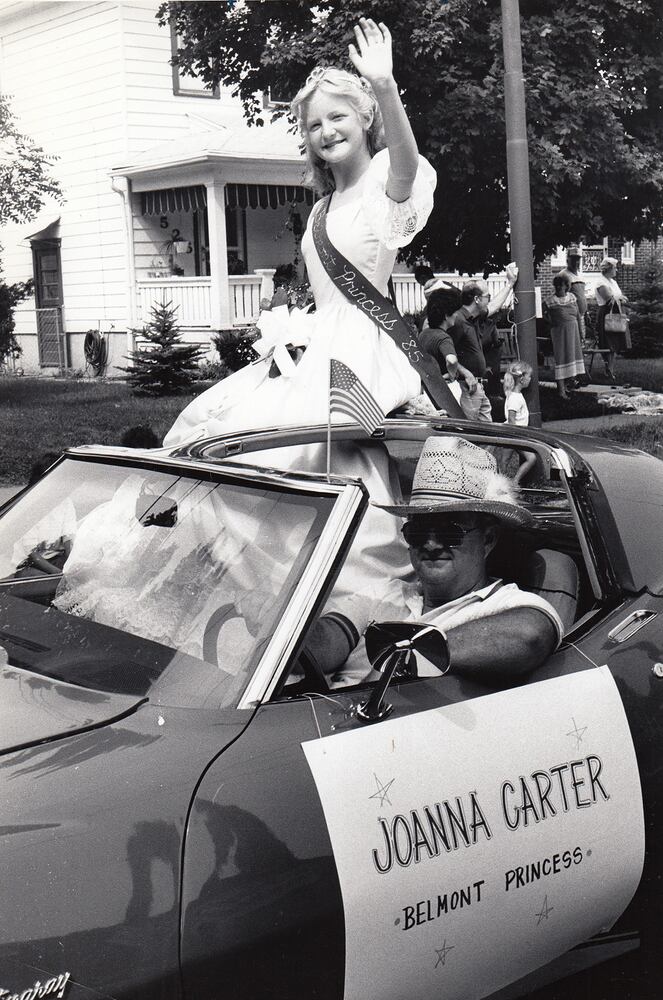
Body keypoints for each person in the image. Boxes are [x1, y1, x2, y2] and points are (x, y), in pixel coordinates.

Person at [165, 18, 437, 448]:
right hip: (316, 344)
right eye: (314, 125)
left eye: (337, 116)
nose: (327, 131)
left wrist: (384, 86)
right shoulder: (320, 210)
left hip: (361, 350)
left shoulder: (383, 186)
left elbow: (406, 165)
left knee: (297, 447)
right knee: (210, 421)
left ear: (365, 118)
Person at [419, 288, 478, 416]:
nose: (456, 315)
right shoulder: (444, 338)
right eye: (455, 312)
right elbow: (451, 360)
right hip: (446, 390)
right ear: (446, 315)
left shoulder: (424, 334)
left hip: (428, 390)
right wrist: (452, 373)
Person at [543, 274, 585, 399]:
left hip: (573, 331)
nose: (558, 288)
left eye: (561, 285)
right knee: (561, 358)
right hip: (559, 332)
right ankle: (561, 391)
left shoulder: (572, 297)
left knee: (572, 356)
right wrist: (550, 321)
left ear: (566, 286)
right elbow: (541, 314)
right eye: (556, 285)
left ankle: (569, 385)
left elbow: (578, 315)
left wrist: (581, 332)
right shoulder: (550, 300)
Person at [594, 256, 628, 382]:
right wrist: (620, 298)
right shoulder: (601, 282)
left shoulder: (613, 282)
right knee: (607, 342)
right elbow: (609, 299)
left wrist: (620, 298)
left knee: (615, 342)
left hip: (616, 312)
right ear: (608, 269)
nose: (616, 270)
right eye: (614, 268)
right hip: (606, 314)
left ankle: (610, 369)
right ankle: (608, 369)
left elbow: (621, 297)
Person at [502, 360, 536, 485]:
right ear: (522, 379)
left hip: (513, 434)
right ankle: (513, 482)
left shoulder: (514, 395)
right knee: (531, 458)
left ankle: (504, 483)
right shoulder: (515, 398)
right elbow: (511, 418)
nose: (530, 379)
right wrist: (517, 436)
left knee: (504, 461)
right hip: (514, 434)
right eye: (529, 376)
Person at [558, 246, 588, 341]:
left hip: (581, 314)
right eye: (573, 259)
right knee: (572, 339)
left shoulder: (581, 275)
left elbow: (582, 294)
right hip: (570, 315)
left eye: (578, 259)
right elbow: (559, 296)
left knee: (581, 339)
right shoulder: (563, 275)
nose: (576, 262)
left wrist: (586, 311)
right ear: (567, 260)